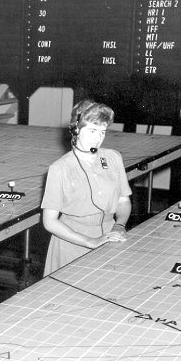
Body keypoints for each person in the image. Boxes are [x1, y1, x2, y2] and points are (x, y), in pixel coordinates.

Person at [41, 100, 132, 276]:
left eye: (102, 132)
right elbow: (50, 221)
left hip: (110, 238)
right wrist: (90, 241)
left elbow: (123, 200)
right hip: (72, 244)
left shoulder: (113, 158)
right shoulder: (59, 168)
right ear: (75, 130)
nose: (98, 138)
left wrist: (119, 225)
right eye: (92, 130)